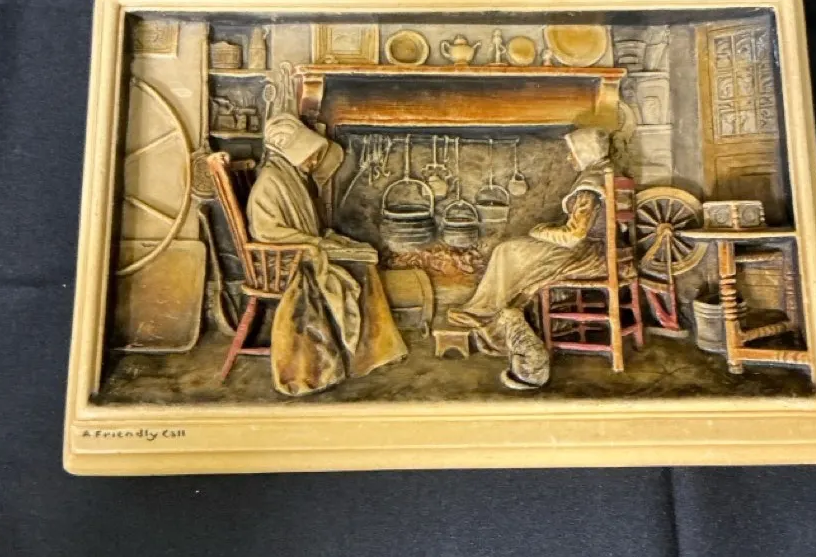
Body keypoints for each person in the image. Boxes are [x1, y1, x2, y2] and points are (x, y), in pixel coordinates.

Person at [447, 127, 623, 390]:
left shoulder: (590, 186)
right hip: (593, 250)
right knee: (511, 250)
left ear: (586, 151)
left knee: (507, 251)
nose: (569, 158)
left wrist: (540, 231)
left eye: (572, 152)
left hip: (584, 255)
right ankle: (497, 308)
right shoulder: (606, 174)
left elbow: (574, 235)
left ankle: (488, 310)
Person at [247, 113, 407, 396]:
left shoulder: (291, 176)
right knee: (359, 268)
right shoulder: (270, 182)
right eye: (309, 156)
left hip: (304, 250)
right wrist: (313, 244)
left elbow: (309, 228)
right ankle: (347, 357)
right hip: (286, 260)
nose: (313, 162)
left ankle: (372, 351)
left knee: (365, 257)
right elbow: (267, 232)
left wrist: (328, 242)